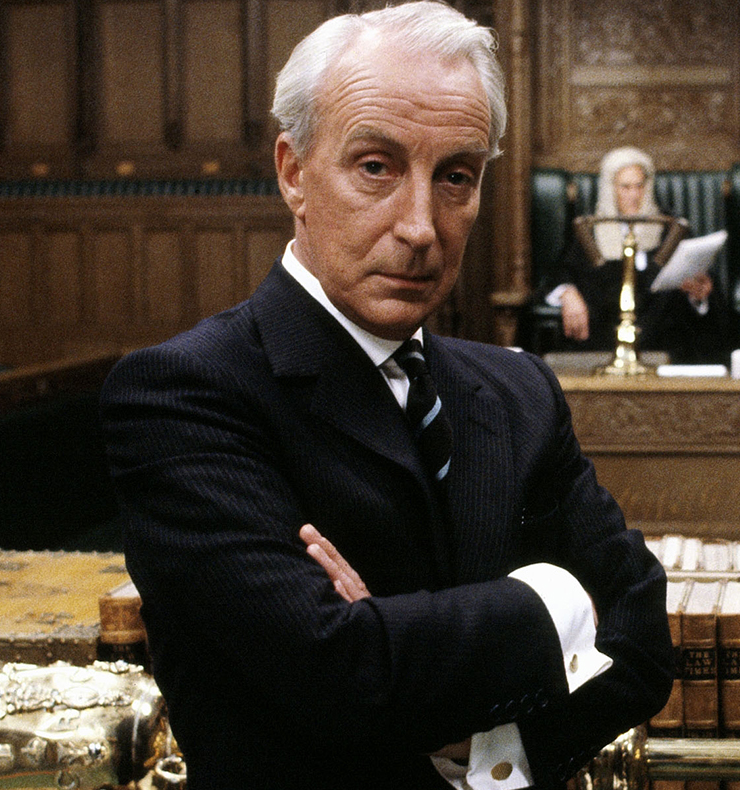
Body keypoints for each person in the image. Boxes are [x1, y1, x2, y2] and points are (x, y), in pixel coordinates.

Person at [98, 3, 673, 789]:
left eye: (456, 177)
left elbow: (643, 640)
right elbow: (336, 672)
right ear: (294, 172)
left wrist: (488, 750)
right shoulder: (183, 393)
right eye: (376, 166)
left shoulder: (521, 391)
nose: (421, 227)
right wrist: (559, 598)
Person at [546, 146, 732, 364]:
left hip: (665, 346)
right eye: (625, 187)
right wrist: (568, 293)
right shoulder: (589, 232)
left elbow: (694, 288)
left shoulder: (670, 229)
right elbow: (561, 273)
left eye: (639, 186)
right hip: (603, 342)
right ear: (610, 189)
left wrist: (698, 295)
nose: (634, 195)